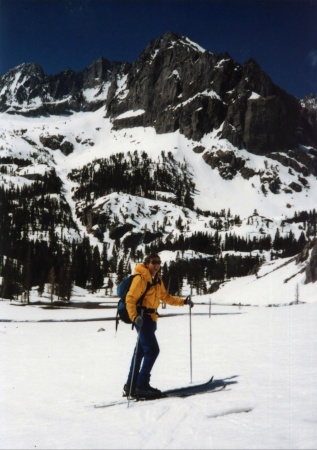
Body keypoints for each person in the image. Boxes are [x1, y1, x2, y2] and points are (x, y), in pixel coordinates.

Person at [123, 253, 194, 398]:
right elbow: (130, 299)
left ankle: (131, 385)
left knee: (141, 352)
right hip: (142, 319)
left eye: (159, 262)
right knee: (152, 351)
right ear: (147, 263)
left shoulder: (157, 280)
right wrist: (134, 317)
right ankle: (141, 385)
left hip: (151, 319)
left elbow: (166, 297)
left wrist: (183, 302)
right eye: (154, 262)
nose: (157, 265)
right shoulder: (140, 278)